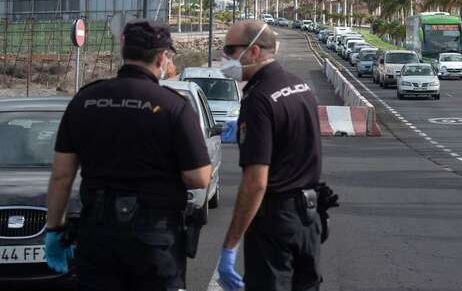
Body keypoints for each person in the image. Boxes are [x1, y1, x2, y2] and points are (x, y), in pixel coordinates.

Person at [45, 19, 212, 291]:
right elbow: (199, 177)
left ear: (124, 48)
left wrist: (54, 229)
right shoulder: (174, 106)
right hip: (155, 239)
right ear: (162, 57)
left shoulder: (85, 100)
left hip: (98, 235)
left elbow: (62, 176)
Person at [217, 20, 323, 291]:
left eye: (230, 49)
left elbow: (256, 181)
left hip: (276, 225)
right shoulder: (301, 87)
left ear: (253, 52)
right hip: (309, 221)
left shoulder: (259, 98)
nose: (225, 57)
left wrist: (230, 244)